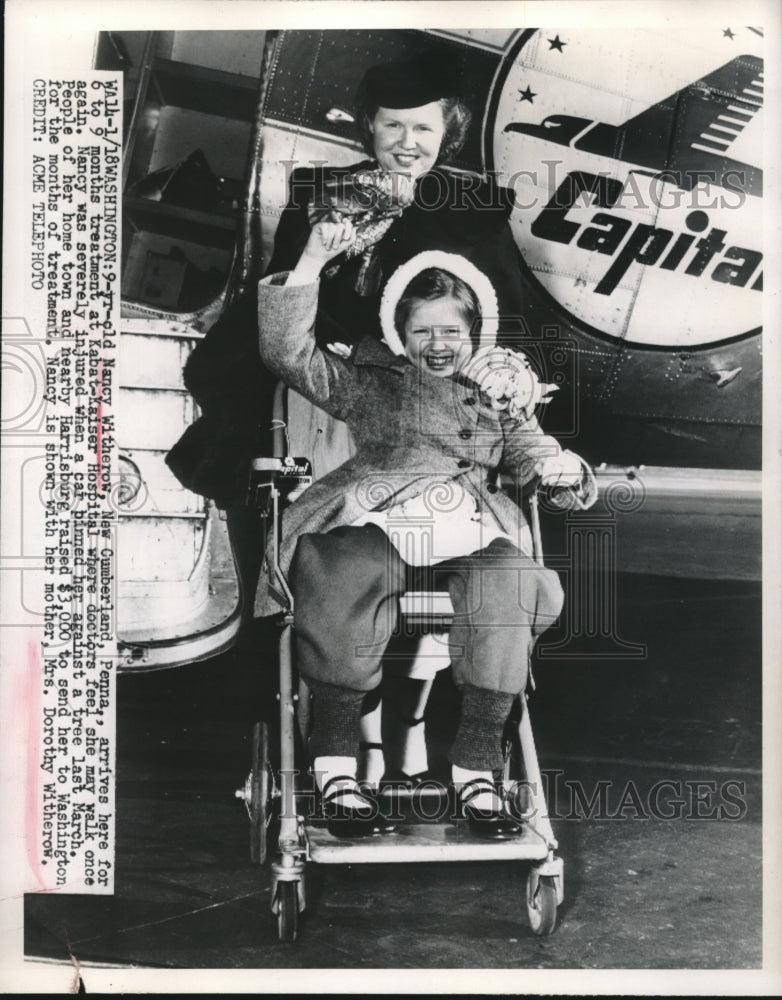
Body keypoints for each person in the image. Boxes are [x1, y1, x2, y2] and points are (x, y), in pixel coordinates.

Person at [255, 218, 595, 839]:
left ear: (474, 333)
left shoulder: (499, 399)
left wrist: (560, 466)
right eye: (422, 331)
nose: (437, 344)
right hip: (382, 515)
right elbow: (285, 352)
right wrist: (309, 261)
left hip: (469, 528)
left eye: (451, 331)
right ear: (398, 332)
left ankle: (477, 772)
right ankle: (336, 769)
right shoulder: (371, 383)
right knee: (336, 567)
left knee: (513, 579)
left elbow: (536, 456)